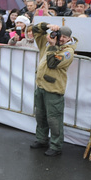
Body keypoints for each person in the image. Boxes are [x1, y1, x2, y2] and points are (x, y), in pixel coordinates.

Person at [29, 22, 77, 156]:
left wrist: (52, 45)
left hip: (54, 90)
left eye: (65, 37)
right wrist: (47, 26)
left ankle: (56, 146)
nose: (61, 39)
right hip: (41, 87)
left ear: (69, 38)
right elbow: (35, 30)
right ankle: (41, 139)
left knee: (54, 119)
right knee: (40, 116)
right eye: (60, 35)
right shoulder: (48, 43)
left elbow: (52, 63)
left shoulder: (68, 52)